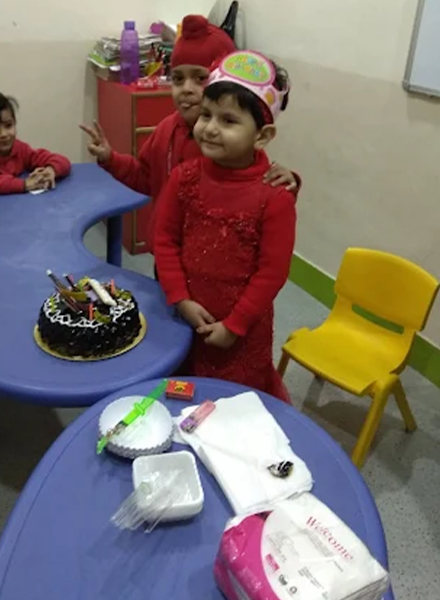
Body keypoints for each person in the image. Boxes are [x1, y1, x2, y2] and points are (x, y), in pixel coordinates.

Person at [81, 15, 298, 262]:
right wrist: (110, 158)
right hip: (167, 255)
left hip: (215, 263)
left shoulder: (229, 146)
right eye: (177, 78)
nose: (186, 88)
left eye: (200, 78)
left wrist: (289, 182)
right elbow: (145, 177)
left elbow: (255, 194)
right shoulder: (165, 129)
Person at [154, 50, 297, 401]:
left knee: (232, 406)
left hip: (241, 334)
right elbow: (165, 240)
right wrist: (180, 298)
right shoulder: (183, 178)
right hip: (185, 319)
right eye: (206, 115)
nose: (211, 128)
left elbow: (272, 272)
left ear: (262, 136)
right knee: (183, 397)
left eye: (229, 120)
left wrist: (235, 325)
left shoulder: (275, 197)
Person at [0, 90, 71, 195]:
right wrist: (23, 184)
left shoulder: (20, 149)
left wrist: (50, 171)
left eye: (8, 125)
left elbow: (62, 161)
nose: (3, 134)